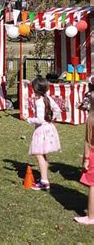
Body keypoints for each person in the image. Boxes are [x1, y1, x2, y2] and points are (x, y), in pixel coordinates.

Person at [26, 77, 61, 191]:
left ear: (35, 89)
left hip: (41, 131)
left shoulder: (39, 102)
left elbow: (40, 119)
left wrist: (30, 119)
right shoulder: (48, 98)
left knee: (39, 154)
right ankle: (44, 178)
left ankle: (44, 182)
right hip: (49, 128)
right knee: (43, 154)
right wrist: (51, 119)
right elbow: (57, 110)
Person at [75, 75, 94, 225]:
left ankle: (91, 216)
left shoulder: (91, 120)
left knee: (93, 185)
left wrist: (86, 160)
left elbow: (89, 142)